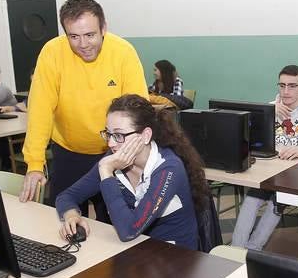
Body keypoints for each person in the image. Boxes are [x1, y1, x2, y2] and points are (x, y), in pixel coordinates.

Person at [19, 0, 149, 221]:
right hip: (68, 152)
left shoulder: (123, 52)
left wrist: (137, 159)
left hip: (115, 154)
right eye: (74, 37)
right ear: (65, 33)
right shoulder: (52, 53)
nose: (83, 44)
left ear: (103, 28)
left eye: (90, 35)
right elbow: (40, 111)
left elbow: (138, 112)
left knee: (115, 225)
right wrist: (34, 163)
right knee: (61, 220)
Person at [55, 95, 209, 249]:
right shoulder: (114, 159)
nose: (111, 143)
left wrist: (107, 173)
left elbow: (129, 230)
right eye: (108, 134)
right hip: (135, 251)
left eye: (119, 135)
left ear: (145, 135)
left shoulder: (168, 168)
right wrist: (71, 215)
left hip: (176, 257)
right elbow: (66, 196)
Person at [231, 65, 298, 250]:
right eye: (282, 86)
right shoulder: (270, 108)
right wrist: (269, 114)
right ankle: (236, 251)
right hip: (272, 170)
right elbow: (250, 139)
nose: (286, 91)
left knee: (278, 201)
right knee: (251, 200)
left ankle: (252, 249)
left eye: (292, 86)